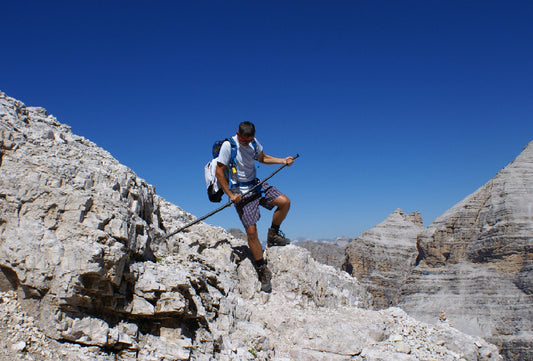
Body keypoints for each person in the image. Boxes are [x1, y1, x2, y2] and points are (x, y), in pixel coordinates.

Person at [215, 121, 294, 293]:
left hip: (256, 186)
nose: (246, 143)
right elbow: (219, 172)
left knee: (284, 202)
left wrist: (283, 160)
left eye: (249, 141)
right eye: (244, 140)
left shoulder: (253, 142)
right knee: (251, 232)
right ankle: (261, 268)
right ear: (238, 134)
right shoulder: (229, 146)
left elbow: (262, 158)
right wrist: (230, 195)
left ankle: (273, 234)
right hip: (240, 193)